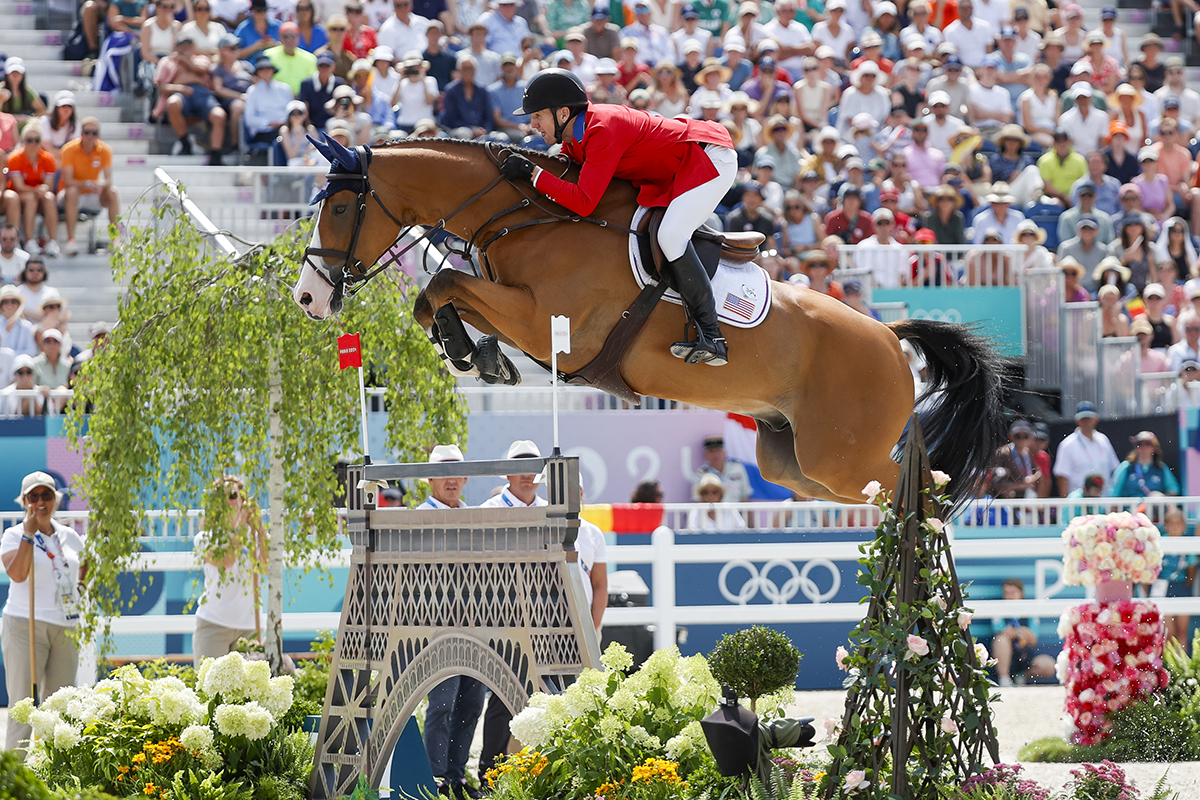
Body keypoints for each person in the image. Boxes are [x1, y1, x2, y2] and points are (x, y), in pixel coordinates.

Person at [500, 69, 735, 367]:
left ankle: (713, 336)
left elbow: (584, 203)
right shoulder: (576, 133)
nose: (532, 125)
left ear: (562, 114)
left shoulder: (602, 129)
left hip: (708, 160)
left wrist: (533, 174)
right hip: (678, 166)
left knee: (670, 236)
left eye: (537, 116)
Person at [412, 444, 486, 800]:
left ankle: (454, 777)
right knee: (441, 705)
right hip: (437, 626)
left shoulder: (476, 518)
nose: (451, 480)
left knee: (471, 705)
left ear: (466, 477)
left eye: (456, 473)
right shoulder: (417, 517)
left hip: (475, 624)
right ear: (430, 479)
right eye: (444, 474)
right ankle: (437, 778)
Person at [476, 439, 547, 784]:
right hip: (500, 616)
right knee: (504, 697)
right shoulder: (488, 509)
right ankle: (490, 774)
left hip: (543, 616)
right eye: (520, 466)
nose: (527, 474)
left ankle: (532, 774)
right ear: (507, 472)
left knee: (545, 697)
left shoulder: (551, 508)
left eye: (533, 466)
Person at [2, 472, 86, 752]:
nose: (40, 501)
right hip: (25, 625)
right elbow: (17, 574)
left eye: (46, 495)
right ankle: (16, 782)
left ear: (56, 500)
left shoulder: (69, 535)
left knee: (61, 705)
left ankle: (56, 777)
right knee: (23, 706)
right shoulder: (13, 535)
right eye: (33, 496)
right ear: (24, 500)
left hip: (65, 625)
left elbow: (85, 562)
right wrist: (29, 533)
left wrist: (81, 588)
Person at [193, 475, 266, 663]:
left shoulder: (251, 538)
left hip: (249, 625)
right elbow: (226, 561)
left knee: (248, 690)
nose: (230, 500)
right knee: (207, 688)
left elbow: (266, 567)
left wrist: (261, 530)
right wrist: (241, 526)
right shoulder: (205, 537)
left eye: (235, 495)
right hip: (213, 623)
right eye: (224, 496)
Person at [157, 32, 229, 165]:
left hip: (203, 94)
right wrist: (181, 89)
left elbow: (202, 69)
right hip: (180, 94)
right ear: (175, 45)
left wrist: (184, 59)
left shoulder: (202, 58)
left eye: (188, 43)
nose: (185, 46)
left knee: (219, 115)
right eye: (181, 43)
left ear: (194, 45)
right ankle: (185, 143)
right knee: (172, 103)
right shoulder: (167, 61)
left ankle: (215, 154)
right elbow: (162, 87)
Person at [57, 118, 120, 257]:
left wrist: (99, 185)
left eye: (94, 132)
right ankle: (71, 241)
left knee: (113, 192)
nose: (90, 136)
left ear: (99, 135)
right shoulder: (69, 149)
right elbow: (68, 181)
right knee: (72, 192)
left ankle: (115, 239)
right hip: (69, 196)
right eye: (87, 132)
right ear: (81, 133)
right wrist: (87, 183)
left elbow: (108, 180)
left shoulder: (105, 150)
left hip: (91, 195)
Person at [8, 123, 60, 257]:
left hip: (38, 194)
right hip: (21, 195)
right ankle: (29, 241)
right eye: (29, 140)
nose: (33, 143)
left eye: (36, 140)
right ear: (23, 141)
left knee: (50, 198)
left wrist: (43, 189)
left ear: (41, 142)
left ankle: (53, 241)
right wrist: (38, 189)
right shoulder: (14, 158)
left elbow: (49, 184)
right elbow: (19, 186)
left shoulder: (48, 158)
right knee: (31, 199)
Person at [990, 578, 1055, 687]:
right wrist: (1022, 632)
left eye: (1013, 593)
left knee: (1049, 665)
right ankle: (1004, 679)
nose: (1010, 597)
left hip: (1026, 658)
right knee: (1001, 641)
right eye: (1007, 593)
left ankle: (1021, 677)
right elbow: (1001, 634)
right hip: (1004, 660)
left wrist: (1015, 632)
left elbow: (1033, 638)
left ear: (1021, 593)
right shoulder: (998, 609)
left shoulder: (1030, 610)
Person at [1053, 401, 1121, 496]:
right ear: (1077, 420)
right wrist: (1067, 506)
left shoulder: (1103, 440)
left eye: (1089, 418)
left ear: (1096, 418)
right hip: (1080, 505)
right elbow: (1062, 477)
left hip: (1104, 503)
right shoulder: (1067, 445)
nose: (1086, 422)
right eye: (1083, 419)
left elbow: (1115, 470)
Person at [1110, 430, 1180, 497]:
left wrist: (1160, 499)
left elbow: (1173, 489)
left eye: (1147, 444)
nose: (1143, 447)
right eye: (1139, 444)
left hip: (1154, 508)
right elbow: (1114, 492)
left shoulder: (1161, 467)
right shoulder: (1126, 466)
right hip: (1130, 508)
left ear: (1155, 448)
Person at [693, 434, 752, 502]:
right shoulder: (700, 474)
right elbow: (698, 500)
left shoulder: (737, 468)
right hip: (714, 512)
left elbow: (745, 497)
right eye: (711, 451)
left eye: (718, 450)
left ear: (724, 452)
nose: (715, 455)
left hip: (735, 511)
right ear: (705, 455)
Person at [0, 284, 36, 357]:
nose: (10, 305)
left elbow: (32, 351)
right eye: (6, 302)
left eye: (13, 302)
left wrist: (12, 355)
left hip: (20, 366)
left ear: (18, 305)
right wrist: (5, 331)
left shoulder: (27, 326)